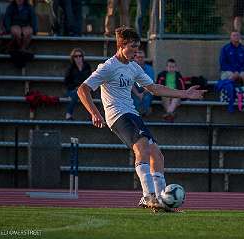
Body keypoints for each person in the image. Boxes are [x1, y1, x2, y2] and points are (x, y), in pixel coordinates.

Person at [77, 26, 206, 211]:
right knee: (142, 146)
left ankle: (162, 202)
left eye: (138, 48)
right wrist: (94, 113)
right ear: (121, 46)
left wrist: (185, 93)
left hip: (132, 114)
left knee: (157, 155)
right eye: (132, 47)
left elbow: (154, 88)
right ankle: (148, 196)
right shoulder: (108, 67)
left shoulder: (133, 67)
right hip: (117, 114)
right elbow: (83, 89)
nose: (136, 52)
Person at [64, 48, 91, 120]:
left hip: (85, 89)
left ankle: (91, 116)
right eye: (76, 56)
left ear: (82, 57)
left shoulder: (87, 66)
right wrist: (76, 87)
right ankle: (69, 114)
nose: (78, 58)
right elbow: (67, 82)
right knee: (77, 93)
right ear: (73, 58)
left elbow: (90, 78)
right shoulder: (70, 68)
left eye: (80, 56)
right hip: (72, 90)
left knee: (83, 92)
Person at [132, 49, 154, 116]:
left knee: (147, 96)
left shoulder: (149, 69)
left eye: (142, 57)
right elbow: (130, 83)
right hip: (134, 90)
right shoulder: (131, 68)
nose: (140, 59)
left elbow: (151, 83)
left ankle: (144, 112)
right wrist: (138, 94)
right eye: (138, 57)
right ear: (135, 58)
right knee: (134, 97)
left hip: (146, 90)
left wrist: (142, 93)